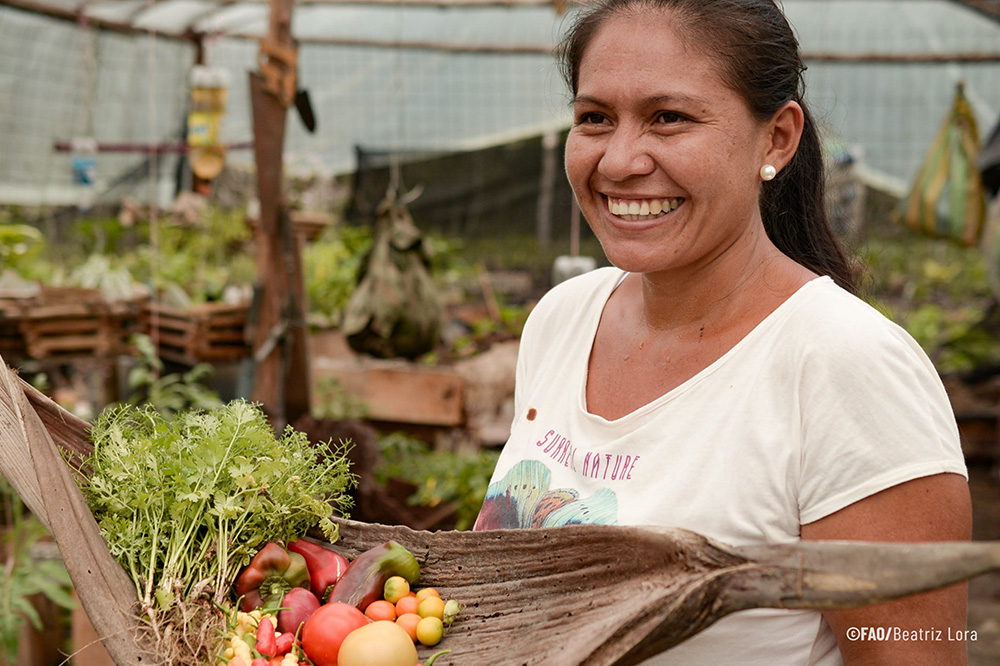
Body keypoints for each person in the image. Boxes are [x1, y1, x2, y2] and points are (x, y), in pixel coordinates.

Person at [473, 0, 972, 664]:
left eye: (669, 118)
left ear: (777, 139)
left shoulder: (845, 365)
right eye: (595, 118)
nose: (620, 160)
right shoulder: (564, 320)